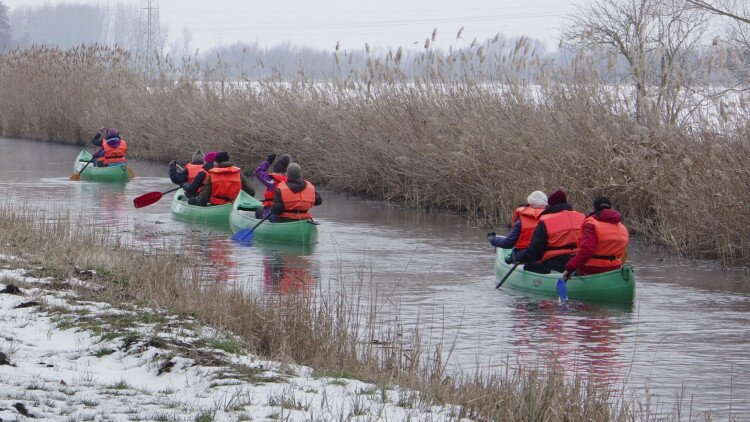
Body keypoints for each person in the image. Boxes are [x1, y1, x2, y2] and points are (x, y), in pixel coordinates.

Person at [513, 190, 585, 274]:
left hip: (554, 264)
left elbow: (535, 251)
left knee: (529, 265)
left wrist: (521, 258)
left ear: (550, 205)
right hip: (576, 262)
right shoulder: (582, 217)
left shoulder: (545, 220)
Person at [562, 197, 629, 279]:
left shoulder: (591, 224)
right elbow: (623, 254)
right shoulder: (622, 227)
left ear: (594, 208)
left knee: (572, 269)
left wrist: (569, 268)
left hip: (591, 270)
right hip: (614, 270)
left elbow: (587, 251)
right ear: (610, 208)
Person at [487, 191, 548, 260]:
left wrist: (492, 240)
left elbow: (508, 243)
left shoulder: (522, 220)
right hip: (546, 255)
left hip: (526, 255)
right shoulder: (551, 217)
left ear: (530, 203)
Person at [190, 151, 255, 206]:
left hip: (217, 205)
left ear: (218, 162)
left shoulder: (212, 174)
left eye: (215, 161)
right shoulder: (238, 173)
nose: (213, 163)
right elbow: (251, 191)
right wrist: (242, 201)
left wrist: (200, 202)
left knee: (192, 200)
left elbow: (205, 195)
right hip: (233, 204)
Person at [255, 153, 291, 220]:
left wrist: (268, 161)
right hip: (286, 210)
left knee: (258, 211)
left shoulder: (271, 180)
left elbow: (258, 172)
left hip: (271, 209)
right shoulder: (290, 181)